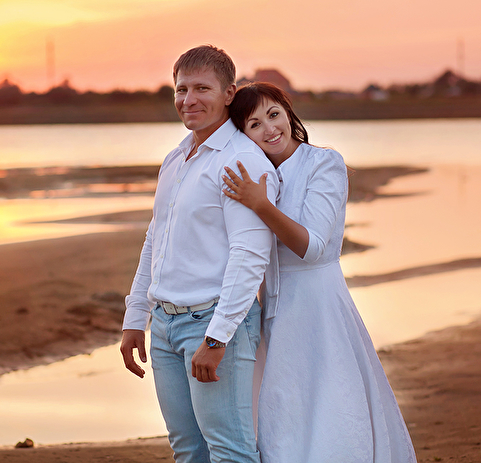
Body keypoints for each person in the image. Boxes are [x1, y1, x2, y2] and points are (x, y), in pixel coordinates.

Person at [222, 82, 417, 463]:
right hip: (270, 307)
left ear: (288, 112)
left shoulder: (323, 163)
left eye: (274, 114)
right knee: (280, 410)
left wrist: (261, 206)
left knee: (330, 404)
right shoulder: (257, 173)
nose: (269, 129)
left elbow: (312, 248)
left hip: (318, 304)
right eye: (254, 124)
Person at [120, 46, 279, 463]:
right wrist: (136, 316)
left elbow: (250, 256)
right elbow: (156, 239)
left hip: (213, 323)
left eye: (202, 89)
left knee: (230, 451)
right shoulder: (176, 158)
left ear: (229, 93)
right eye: (181, 89)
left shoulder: (242, 161)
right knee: (188, 450)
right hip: (164, 325)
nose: (188, 100)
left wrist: (217, 337)